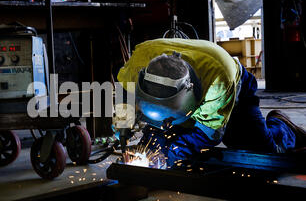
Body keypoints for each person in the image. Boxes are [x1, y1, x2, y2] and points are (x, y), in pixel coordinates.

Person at [117, 38, 306, 166]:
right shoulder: (138, 63)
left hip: (237, 90)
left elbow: (207, 134)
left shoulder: (219, 84)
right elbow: (124, 93)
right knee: (150, 151)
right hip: (187, 97)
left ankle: (282, 126)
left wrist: (168, 156)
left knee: (265, 155)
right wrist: (122, 127)